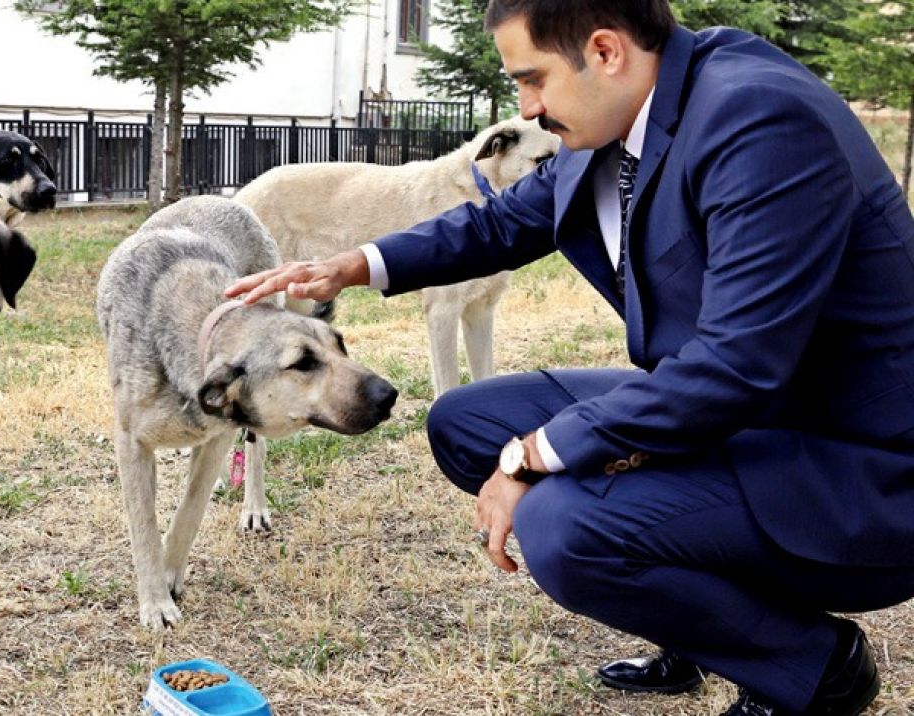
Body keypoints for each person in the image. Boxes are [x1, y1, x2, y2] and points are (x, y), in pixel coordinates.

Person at [225, 1, 914, 714]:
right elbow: (507, 221)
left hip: (849, 466)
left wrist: (537, 455)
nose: (526, 107)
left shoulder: (760, 123)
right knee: (466, 422)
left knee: (564, 528)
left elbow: (735, 365)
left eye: (532, 80)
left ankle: (815, 667)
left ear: (606, 51)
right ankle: (701, 621)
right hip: (730, 417)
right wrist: (352, 265)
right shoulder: (618, 112)